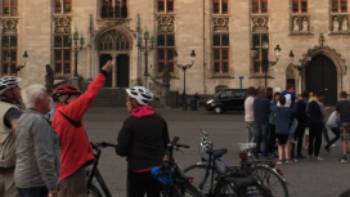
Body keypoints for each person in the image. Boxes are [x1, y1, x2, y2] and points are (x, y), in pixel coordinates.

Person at [51, 60, 113, 197]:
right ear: (65, 98)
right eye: (75, 97)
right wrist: (103, 73)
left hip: (66, 167)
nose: (78, 99)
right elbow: (89, 95)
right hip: (71, 170)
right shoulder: (69, 111)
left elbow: (68, 138)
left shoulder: (58, 115)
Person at [116, 86, 170, 197]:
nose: (126, 103)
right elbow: (166, 143)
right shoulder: (160, 119)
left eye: (128, 100)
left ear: (135, 102)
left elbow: (121, 150)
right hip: (157, 170)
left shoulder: (130, 122)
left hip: (137, 170)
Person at [14, 85, 59, 197]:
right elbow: (44, 156)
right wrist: (53, 186)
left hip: (23, 178)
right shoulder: (38, 122)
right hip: (35, 182)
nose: (49, 100)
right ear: (39, 101)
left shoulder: (23, 118)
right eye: (46, 97)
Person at [0, 76, 23, 197]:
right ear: (9, 91)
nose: (20, 90)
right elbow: (20, 131)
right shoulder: (11, 110)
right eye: (17, 88)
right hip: (9, 171)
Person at [273, 96, 294, 164]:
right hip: (286, 129)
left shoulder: (276, 109)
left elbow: (271, 106)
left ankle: (280, 159)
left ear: (279, 102)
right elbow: (293, 112)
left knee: (279, 144)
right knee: (286, 144)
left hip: (278, 129)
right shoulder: (288, 110)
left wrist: (276, 100)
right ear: (285, 102)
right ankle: (287, 159)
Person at [307, 92, 324, 161]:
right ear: (319, 97)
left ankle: (310, 153)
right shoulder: (320, 104)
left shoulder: (310, 103)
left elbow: (307, 112)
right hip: (318, 123)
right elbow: (323, 113)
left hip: (311, 122)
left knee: (311, 138)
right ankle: (316, 154)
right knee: (318, 139)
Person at [253, 88, 270, 156]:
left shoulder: (256, 100)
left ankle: (256, 152)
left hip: (257, 120)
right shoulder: (266, 100)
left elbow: (254, 109)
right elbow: (268, 110)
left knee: (257, 137)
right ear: (263, 93)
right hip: (264, 120)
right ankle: (264, 153)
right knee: (264, 138)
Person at [336, 91, 350, 163]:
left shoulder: (339, 103)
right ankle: (348, 151)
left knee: (343, 140)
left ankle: (344, 156)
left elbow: (337, 114)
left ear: (341, 96)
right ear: (346, 96)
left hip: (343, 123)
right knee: (348, 138)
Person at [293, 91, 308, 159]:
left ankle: (291, 152)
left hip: (296, 122)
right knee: (299, 138)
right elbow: (303, 114)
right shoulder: (302, 103)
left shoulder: (296, 102)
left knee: (294, 138)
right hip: (301, 123)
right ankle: (298, 153)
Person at [268, 91, 280, 156]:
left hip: (277, 122)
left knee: (276, 137)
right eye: (277, 96)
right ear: (274, 97)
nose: (278, 98)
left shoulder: (279, 103)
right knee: (272, 137)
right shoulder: (272, 103)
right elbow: (275, 110)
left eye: (279, 97)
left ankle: (275, 149)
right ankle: (271, 150)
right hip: (272, 122)